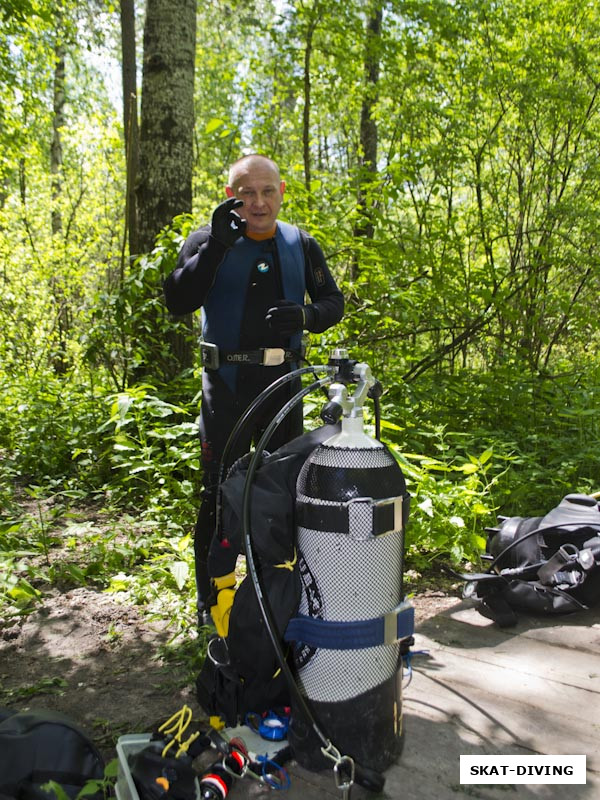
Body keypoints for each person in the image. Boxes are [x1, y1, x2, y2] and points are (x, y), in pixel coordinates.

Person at [163, 154, 344, 624]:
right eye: (247, 193)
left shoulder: (301, 244)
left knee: (285, 490)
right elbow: (177, 300)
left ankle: (279, 593)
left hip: (283, 384)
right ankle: (213, 600)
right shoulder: (207, 240)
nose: (258, 202)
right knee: (218, 491)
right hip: (224, 385)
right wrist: (218, 248)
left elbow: (333, 302)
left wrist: (308, 317)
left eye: (267, 191)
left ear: (282, 191)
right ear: (231, 196)